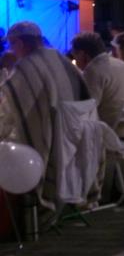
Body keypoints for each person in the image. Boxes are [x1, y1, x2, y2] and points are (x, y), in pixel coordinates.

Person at [0, 22, 90, 209]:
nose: (11, 50)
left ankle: (26, 207)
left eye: (11, 44)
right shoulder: (60, 59)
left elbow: (12, 107)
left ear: (20, 44)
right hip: (75, 139)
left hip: (49, 140)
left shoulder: (28, 66)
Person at [70, 32, 124, 129]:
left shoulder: (94, 69)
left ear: (83, 54)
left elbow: (85, 109)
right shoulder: (121, 64)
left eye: (75, 56)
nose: (75, 61)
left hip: (112, 135)